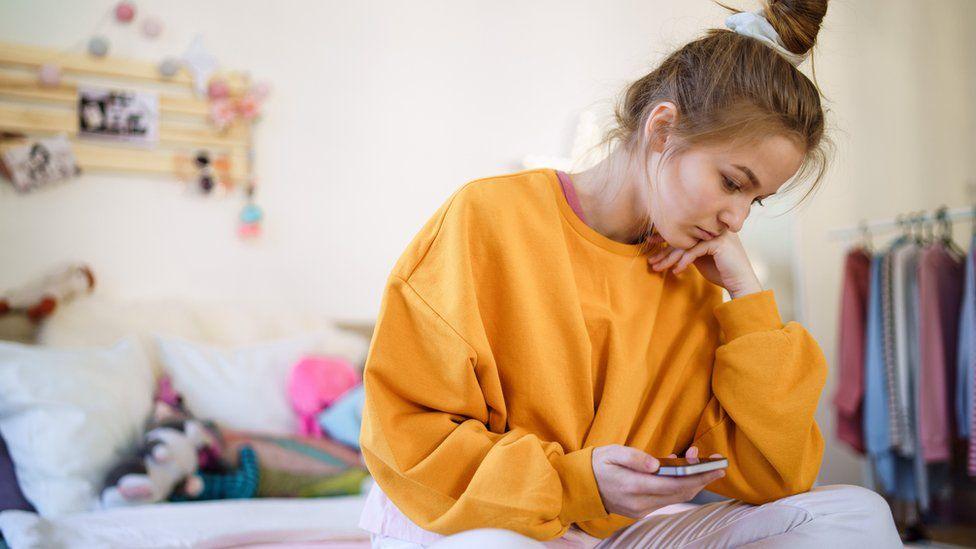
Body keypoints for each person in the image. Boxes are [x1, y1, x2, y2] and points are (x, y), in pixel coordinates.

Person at [358, 0, 902, 546]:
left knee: (855, 514)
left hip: (599, 532)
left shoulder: (698, 278)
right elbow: (410, 437)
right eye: (733, 183)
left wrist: (746, 297)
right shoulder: (486, 219)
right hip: (469, 520)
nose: (736, 219)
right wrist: (575, 481)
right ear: (662, 129)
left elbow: (777, 477)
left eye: (756, 201)